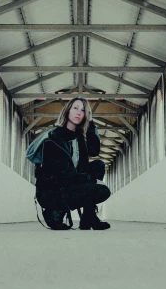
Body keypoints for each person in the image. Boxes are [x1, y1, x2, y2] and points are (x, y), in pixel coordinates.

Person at [26, 98, 111, 231]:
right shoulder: (54, 138)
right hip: (52, 191)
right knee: (102, 190)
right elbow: (63, 175)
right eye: (75, 108)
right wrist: (93, 180)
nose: (79, 113)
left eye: (83, 110)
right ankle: (55, 212)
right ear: (67, 111)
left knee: (98, 165)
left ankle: (88, 217)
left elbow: (94, 150)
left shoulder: (79, 138)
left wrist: (91, 122)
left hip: (70, 184)